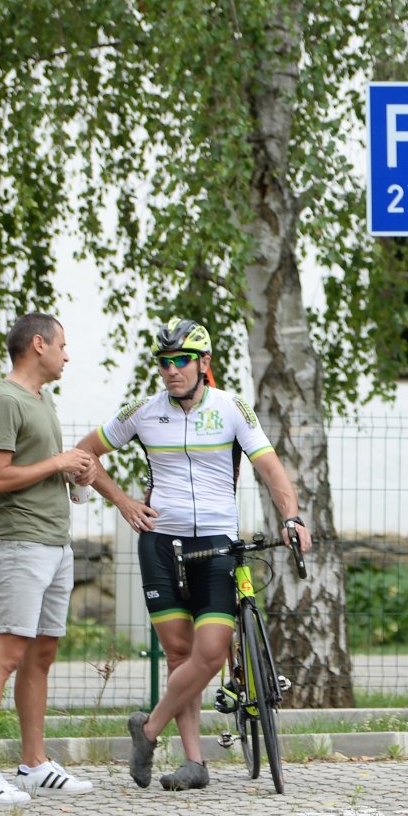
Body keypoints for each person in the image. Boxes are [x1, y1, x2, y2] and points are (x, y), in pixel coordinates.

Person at [75, 320, 313, 791]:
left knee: (208, 653)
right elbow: (84, 454)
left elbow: (271, 469)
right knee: (178, 652)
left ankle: (147, 729)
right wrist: (122, 501)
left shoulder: (231, 409)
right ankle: (194, 763)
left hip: (218, 545)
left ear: (203, 364)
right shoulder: (143, 412)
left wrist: (291, 517)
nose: (170, 371)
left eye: (180, 360)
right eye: (163, 362)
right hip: (162, 544)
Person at [0, 313, 98, 804]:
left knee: (42, 654)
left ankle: (34, 764)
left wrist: (70, 473)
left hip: (54, 542)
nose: (68, 354)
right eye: (63, 344)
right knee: (7, 655)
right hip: (21, 543)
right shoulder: (5, 399)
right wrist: (58, 462)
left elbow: (34, 468)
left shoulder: (42, 399)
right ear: (38, 345)